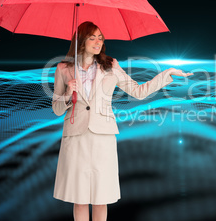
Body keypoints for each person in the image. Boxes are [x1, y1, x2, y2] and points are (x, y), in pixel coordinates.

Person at [52, 21, 193, 221]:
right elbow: (57, 109)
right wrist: (68, 91)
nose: (98, 41)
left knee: (101, 198)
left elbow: (138, 91)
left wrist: (166, 74)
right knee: (79, 197)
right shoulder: (63, 69)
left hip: (103, 137)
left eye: (100, 37)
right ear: (81, 41)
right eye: (92, 37)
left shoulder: (110, 65)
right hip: (76, 137)